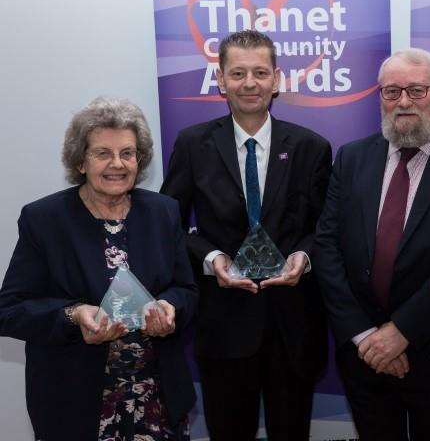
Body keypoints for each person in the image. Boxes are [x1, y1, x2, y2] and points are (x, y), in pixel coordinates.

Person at [313, 47, 430, 441]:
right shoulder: (352, 158)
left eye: (417, 90)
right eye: (392, 91)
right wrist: (366, 336)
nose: (403, 102)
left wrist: (401, 332)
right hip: (364, 357)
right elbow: (327, 248)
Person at [160, 30, 332, 440]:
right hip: (222, 324)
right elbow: (170, 223)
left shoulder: (312, 147)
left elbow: (328, 229)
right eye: (238, 73)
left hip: (293, 323)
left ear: (277, 78)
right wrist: (210, 257)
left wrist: (303, 259)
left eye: (259, 72)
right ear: (220, 79)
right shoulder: (192, 144)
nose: (249, 83)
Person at [0, 97, 198, 440]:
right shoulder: (44, 220)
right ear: (80, 161)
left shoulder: (164, 212)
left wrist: (171, 308)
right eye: (102, 153)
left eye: (127, 153)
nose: (117, 164)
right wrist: (74, 315)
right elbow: (10, 309)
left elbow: (186, 290)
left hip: (156, 398)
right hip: (75, 402)